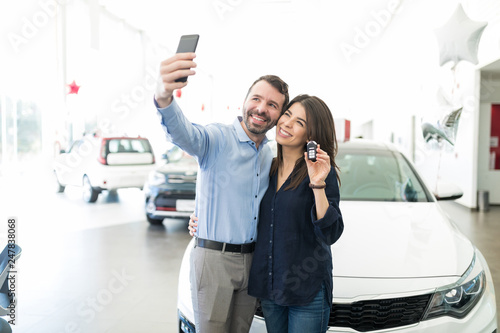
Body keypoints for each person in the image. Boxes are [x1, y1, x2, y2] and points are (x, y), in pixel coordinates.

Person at [154, 52, 289, 333]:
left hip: (252, 260)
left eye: (272, 105)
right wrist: (165, 97)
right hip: (214, 259)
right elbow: (184, 133)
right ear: (245, 100)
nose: (262, 108)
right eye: (257, 99)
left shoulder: (269, 153)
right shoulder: (217, 138)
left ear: (278, 115)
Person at [190, 94, 344, 332]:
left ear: (311, 136)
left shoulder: (321, 173)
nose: (287, 124)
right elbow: (241, 204)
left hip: (307, 291)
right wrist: (200, 218)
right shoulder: (267, 169)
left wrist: (318, 184)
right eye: (288, 115)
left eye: (300, 123)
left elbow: (330, 233)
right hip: (272, 290)